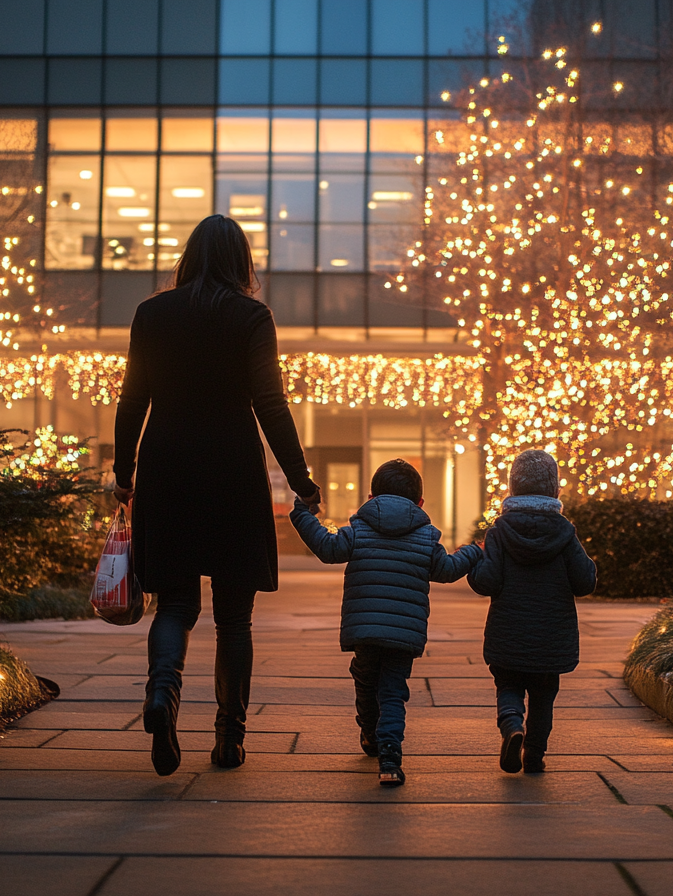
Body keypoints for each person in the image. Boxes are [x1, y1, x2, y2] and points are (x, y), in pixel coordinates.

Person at [113, 214, 321, 776]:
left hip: (167, 470)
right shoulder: (252, 317)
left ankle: (163, 693)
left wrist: (124, 471)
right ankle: (229, 740)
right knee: (235, 619)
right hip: (233, 471)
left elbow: (132, 400)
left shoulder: (151, 314)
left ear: (188, 257)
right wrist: (301, 481)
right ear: (241, 263)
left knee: (175, 604)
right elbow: (270, 404)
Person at [290, 459, 482, 786]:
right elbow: (447, 570)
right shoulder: (425, 538)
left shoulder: (359, 530)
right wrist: (474, 552)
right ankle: (390, 757)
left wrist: (301, 513)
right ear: (419, 503)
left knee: (365, 681)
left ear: (370, 497)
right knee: (393, 691)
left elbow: (325, 547)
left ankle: (369, 733)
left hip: (365, 630)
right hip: (403, 635)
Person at [469, 450, 597, 774]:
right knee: (544, 697)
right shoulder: (565, 533)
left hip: (508, 634)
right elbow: (584, 582)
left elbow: (486, 582)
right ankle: (535, 755)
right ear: (554, 490)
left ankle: (512, 725)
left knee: (508, 685)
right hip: (551, 638)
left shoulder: (499, 531)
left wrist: (472, 566)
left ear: (512, 487)